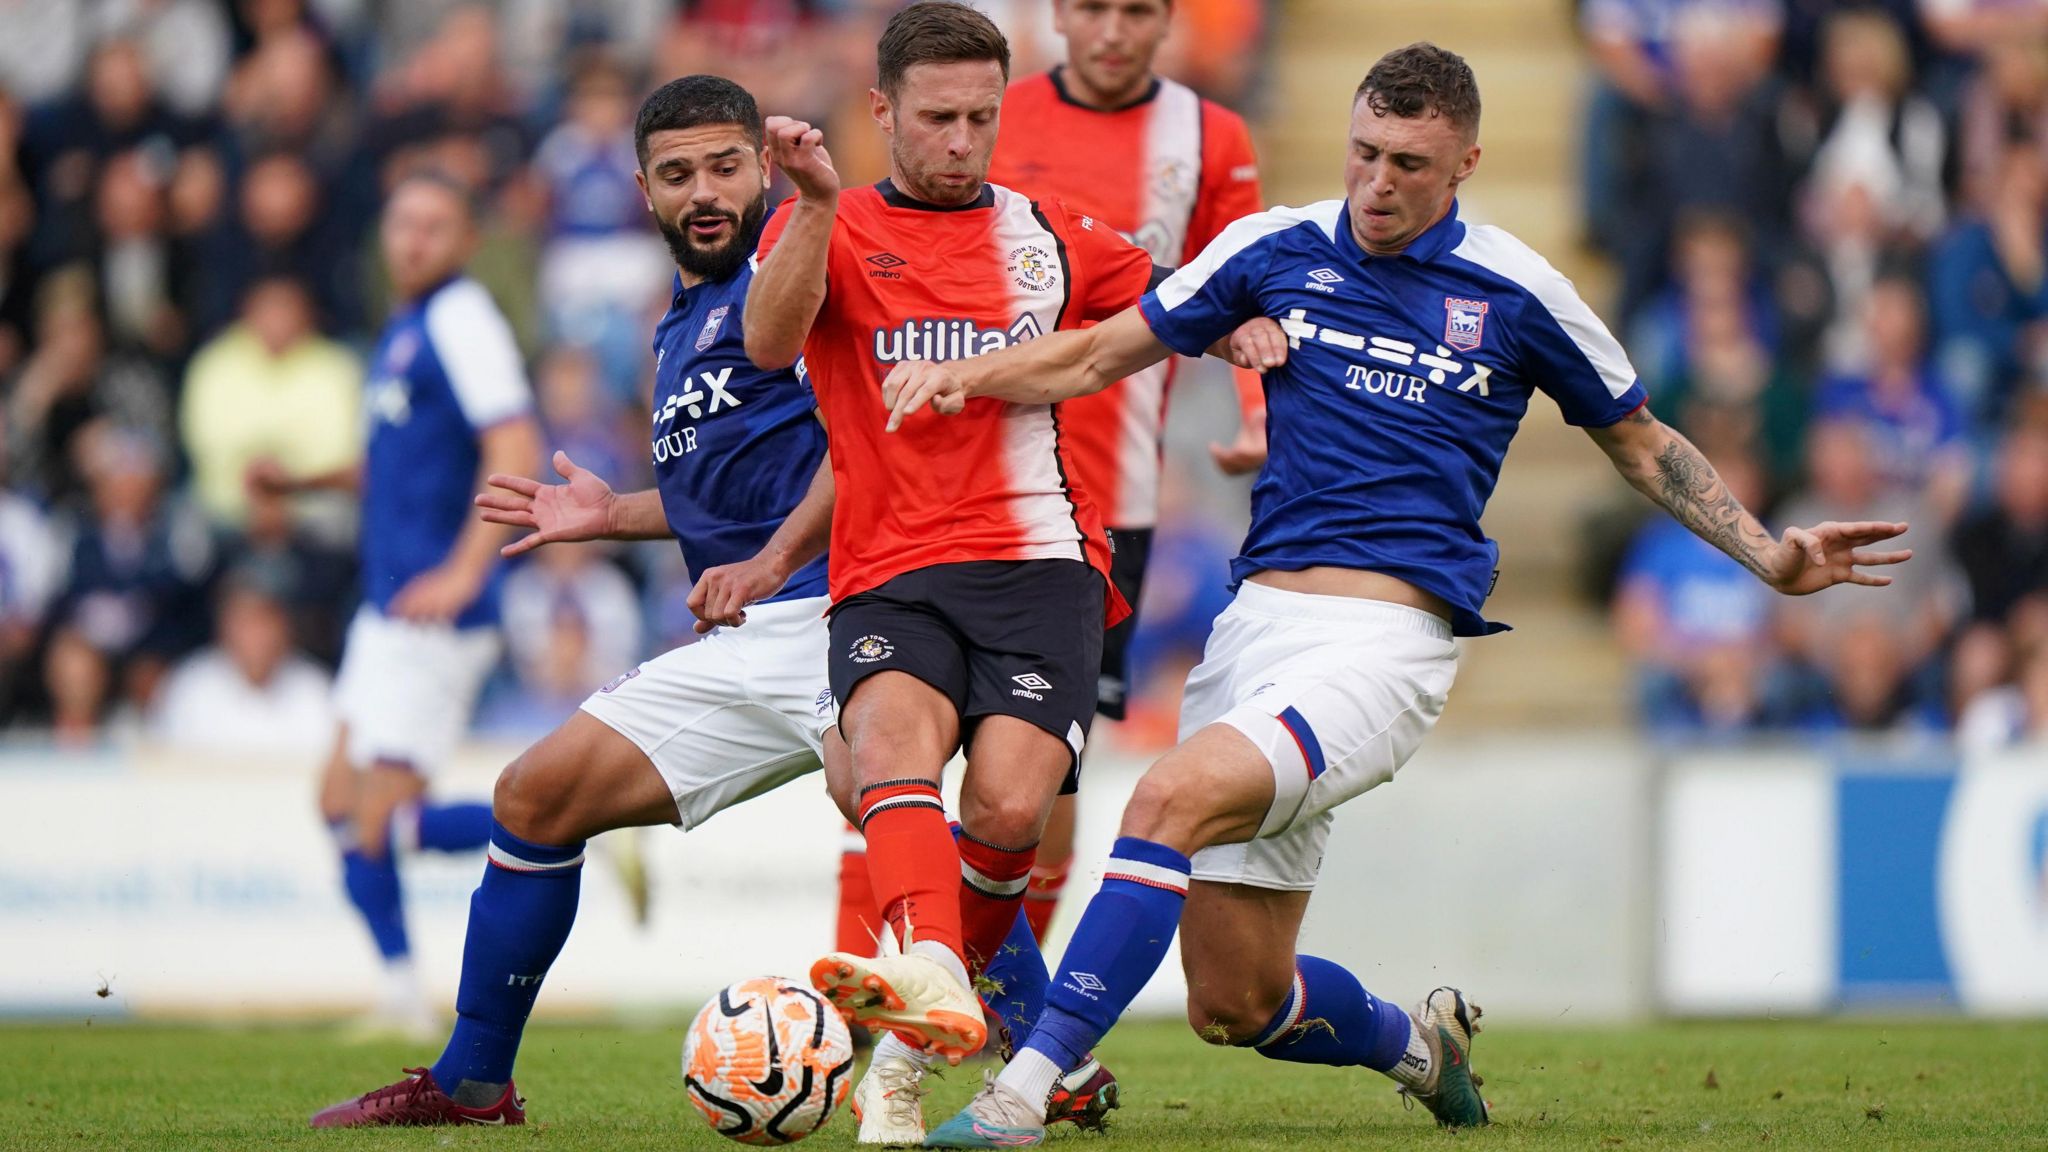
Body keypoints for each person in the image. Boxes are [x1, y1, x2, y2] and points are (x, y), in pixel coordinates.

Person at [880, 43, 1914, 1145]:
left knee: (1162, 801)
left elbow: (1638, 440)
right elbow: (1096, 356)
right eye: (1363, 152)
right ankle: (1425, 1053)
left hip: (1383, 646)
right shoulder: (1271, 246)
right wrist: (965, 373)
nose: (1376, 182)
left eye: (1408, 164)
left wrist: (1768, 556)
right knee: (1234, 1003)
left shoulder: (1518, 289)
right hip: (1252, 632)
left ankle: (1018, 1098)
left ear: (1464, 161)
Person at [746, 3, 1263, 1143]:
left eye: (981, 116)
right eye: (935, 118)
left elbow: (1177, 297)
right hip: (888, 565)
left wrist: (1250, 330)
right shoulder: (832, 225)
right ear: (881, 111)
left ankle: (903, 1040)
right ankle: (929, 982)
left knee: (1011, 809)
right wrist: (814, 203)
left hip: (1040, 563)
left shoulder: (1048, 232)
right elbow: (771, 343)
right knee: (887, 750)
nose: (960, 140)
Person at [308, 74, 843, 1129]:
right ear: (640, 191)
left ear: (763, 170)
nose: (703, 191)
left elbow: (865, 453)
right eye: (677, 173)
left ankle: (1042, 1052)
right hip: (743, 625)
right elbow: (727, 493)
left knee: (894, 810)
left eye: (725, 167)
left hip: (841, 613)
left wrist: (778, 561)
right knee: (532, 799)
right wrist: (616, 514)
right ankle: (469, 1083)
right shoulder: (678, 323)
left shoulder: (807, 268)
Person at [280, 171, 544, 1041]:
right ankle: (398, 985)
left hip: (433, 610)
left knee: (375, 821)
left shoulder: (463, 316)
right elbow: (395, 464)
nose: (415, 240)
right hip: (386, 605)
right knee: (338, 807)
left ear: (465, 240)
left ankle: (570, 823)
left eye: (435, 225)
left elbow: (512, 440)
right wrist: (300, 483)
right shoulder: (405, 330)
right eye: (402, 223)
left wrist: (469, 569)